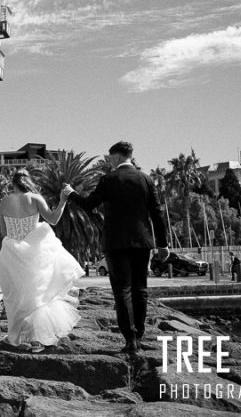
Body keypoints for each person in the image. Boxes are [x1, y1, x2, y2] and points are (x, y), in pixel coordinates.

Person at [68, 141, 168, 354]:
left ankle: (130, 337)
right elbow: (157, 213)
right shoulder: (146, 179)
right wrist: (163, 243)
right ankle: (139, 334)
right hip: (142, 242)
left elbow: (89, 204)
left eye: (110, 158)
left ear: (116, 157)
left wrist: (70, 193)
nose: (110, 161)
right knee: (140, 289)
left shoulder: (109, 179)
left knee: (122, 289)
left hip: (116, 243)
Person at [0, 169, 82, 352]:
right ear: (28, 181)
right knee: (38, 295)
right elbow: (53, 219)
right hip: (34, 252)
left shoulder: (5, 201)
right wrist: (62, 200)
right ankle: (37, 340)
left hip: (12, 252)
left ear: (13, 183)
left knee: (15, 296)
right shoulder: (35, 198)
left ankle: (14, 337)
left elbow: (3, 231)